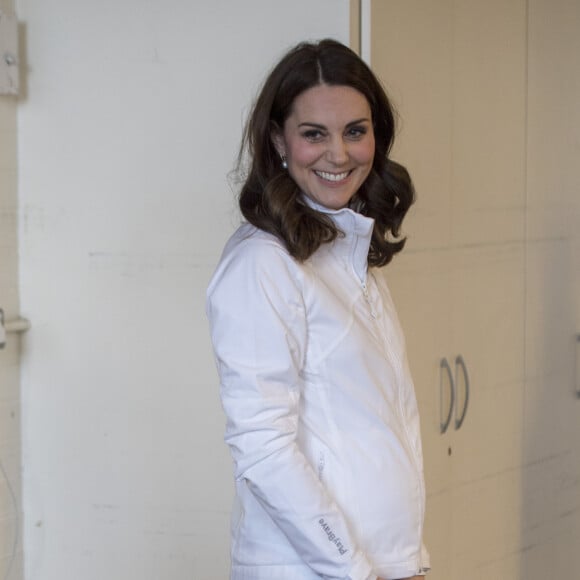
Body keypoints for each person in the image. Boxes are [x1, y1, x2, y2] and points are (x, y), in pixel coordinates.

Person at [206, 38, 430, 580]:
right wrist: (354, 569)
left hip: (382, 564)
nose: (339, 154)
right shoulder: (262, 264)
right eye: (314, 134)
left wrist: (408, 561)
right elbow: (262, 449)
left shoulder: (350, 255)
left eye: (356, 130)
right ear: (279, 140)